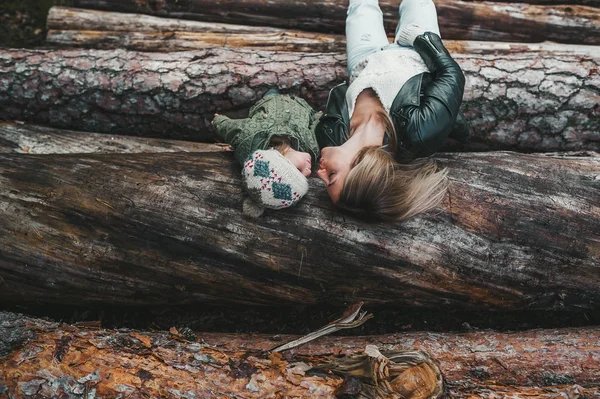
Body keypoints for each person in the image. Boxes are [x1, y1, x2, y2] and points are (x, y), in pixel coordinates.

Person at [315, 0, 469, 221]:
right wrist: (420, 39)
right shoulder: (418, 132)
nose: (319, 173)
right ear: (359, 166)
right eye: (331, 176)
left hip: (363, 61)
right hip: (412, 52)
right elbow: (450, 75)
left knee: (360, 5)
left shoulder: (330, 135)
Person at [212, 89, 322, 215]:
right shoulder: (311, 147)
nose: (308, 172)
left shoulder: (250, 138)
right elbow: (315, 127)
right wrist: (318, 117)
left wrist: (218, 122)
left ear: (280, 158)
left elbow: (232, 129)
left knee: (271, 90)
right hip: (302, 105)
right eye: (304, 176)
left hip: (270, 101)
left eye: (298, 170)